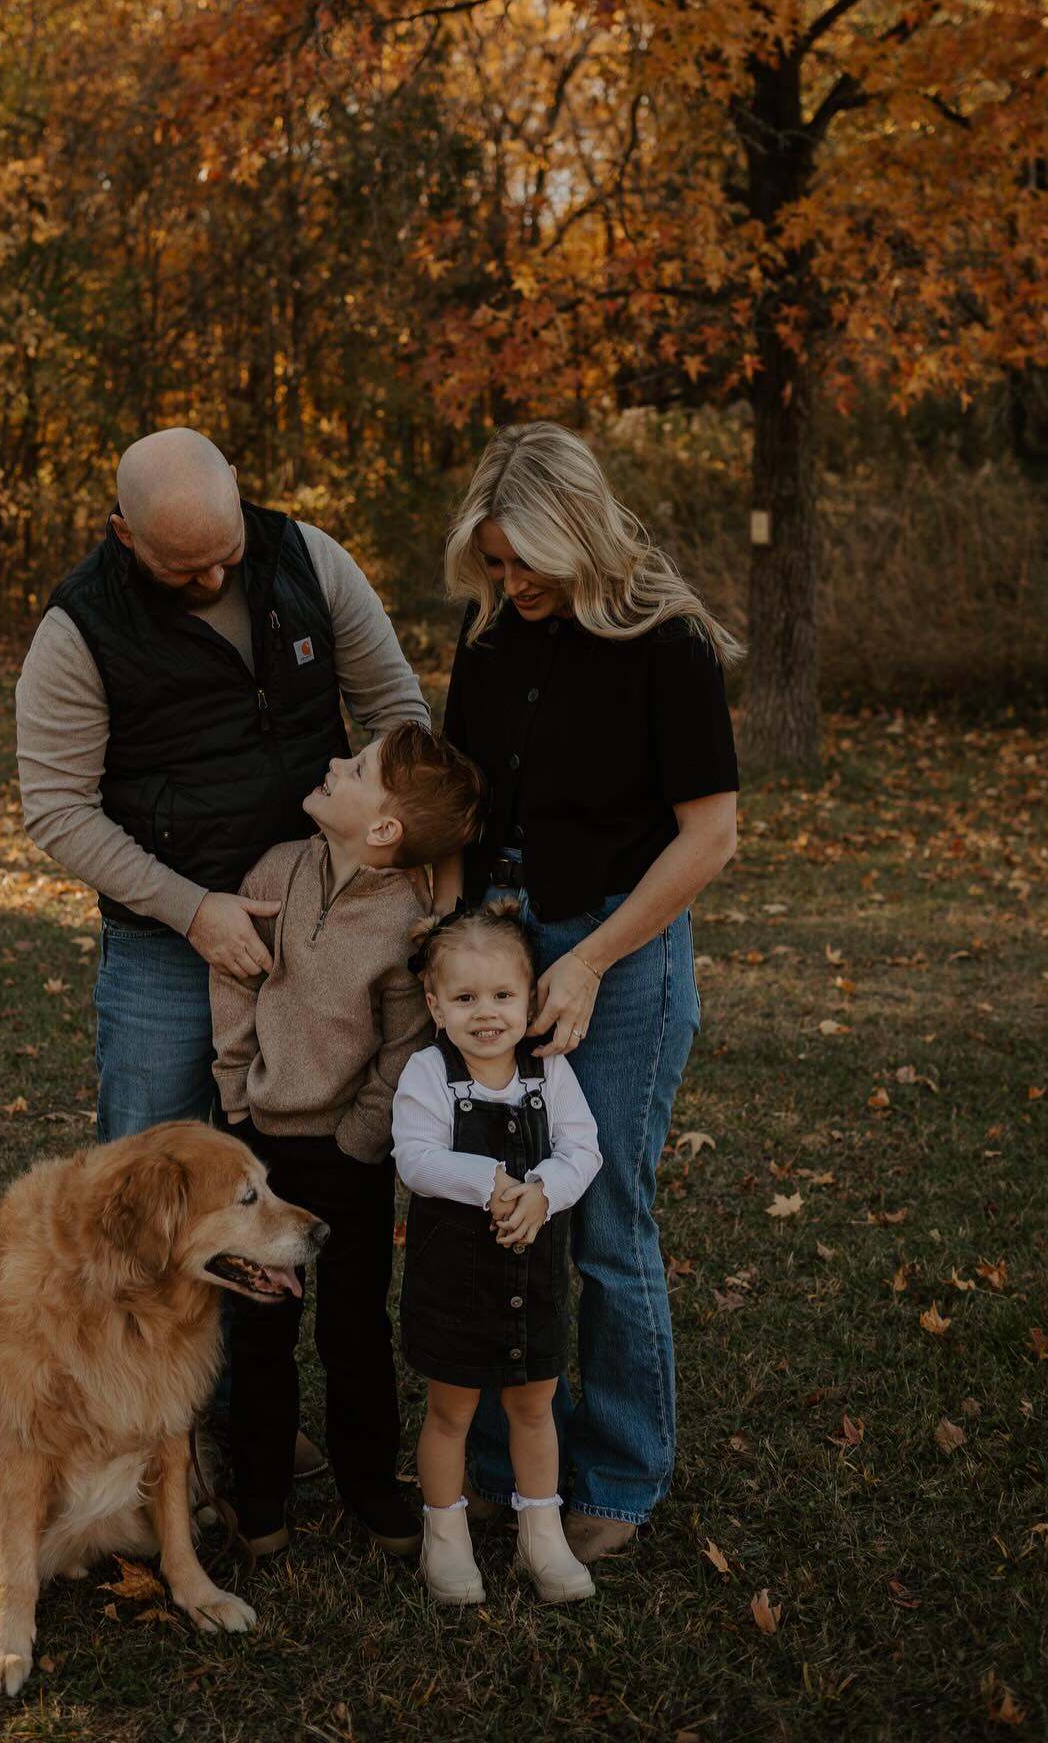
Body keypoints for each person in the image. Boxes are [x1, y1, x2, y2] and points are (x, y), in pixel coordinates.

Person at [434, 420, 740, 1562]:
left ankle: (620, 1469)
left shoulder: (668, 639)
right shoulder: (489, 636)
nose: (511, 585)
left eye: (529, 565)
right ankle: (512, 1465)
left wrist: (594, 957)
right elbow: (466, 808)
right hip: (500, 945)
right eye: (497, 563)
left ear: (584, 534)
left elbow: (709, 837)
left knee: (601, 1216)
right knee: (500, 1206)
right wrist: (459, 946)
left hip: (621, 948)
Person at [16, 427, 429, 1144]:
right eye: (183, 570)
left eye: (225, 556)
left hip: (319, 924)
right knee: (152, 1175)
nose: (211, 581)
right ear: (125, 532)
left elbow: (397, 717)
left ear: (236, 486)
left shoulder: (310, 560)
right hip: (165, 947)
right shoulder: (80, 627)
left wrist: (391, 854)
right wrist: (194, 910)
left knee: (295, 1174)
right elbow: (57, 809)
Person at [210, 724, 487, 1559]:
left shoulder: (405, 919)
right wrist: (235, 1098)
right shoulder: (272, 872)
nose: (333, 761)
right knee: (259, 1331)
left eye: (357, 767)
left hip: (349, 1158)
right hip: (262, 1153)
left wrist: (361, 1138)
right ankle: (259, 1500)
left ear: (384, 832)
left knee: (355, 1333)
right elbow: (233, 984)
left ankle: (371, 1491)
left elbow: (405, 1044)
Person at [393, 899, 602, 1605]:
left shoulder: (549, 1074)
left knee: (535, 1408)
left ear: (531, 995)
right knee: (450, 1412)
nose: (487, 1013)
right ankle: (444, 1535)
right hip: (455, 1282)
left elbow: (584, 1149)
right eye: (465, 997)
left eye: (503, 995)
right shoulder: (429, 1073)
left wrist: (541, 1192)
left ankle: (539, 1536)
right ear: (435, 1001)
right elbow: (416, 1161)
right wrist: (495, 1183)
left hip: (532, 1279)